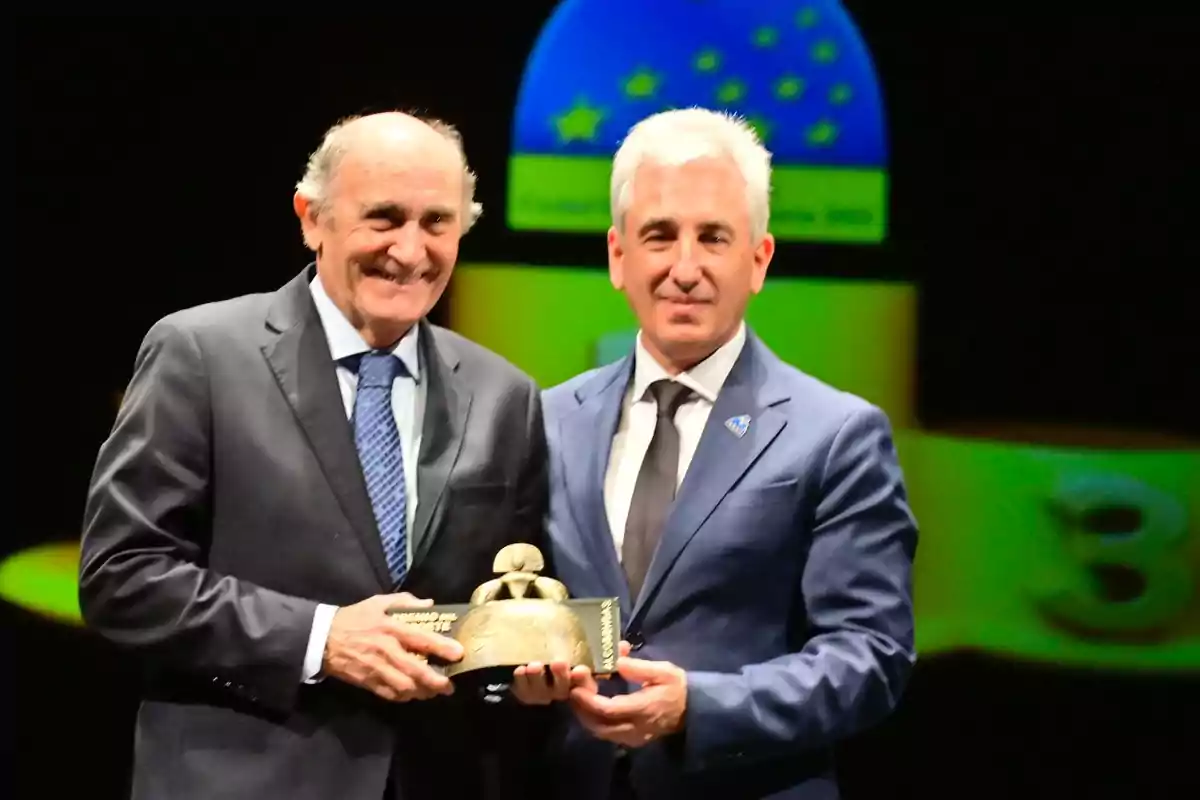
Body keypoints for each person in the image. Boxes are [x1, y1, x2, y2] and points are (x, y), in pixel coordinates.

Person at [78, 112, 553, 800]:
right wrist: (320, 637)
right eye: (384, 218)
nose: (411, 250)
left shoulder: (504, 393)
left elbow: (505, 603)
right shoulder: (201, 354)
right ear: (312, 218)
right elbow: (122, 577)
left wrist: (532, 668)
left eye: (437, 223)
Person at [511, 107, 919, 799]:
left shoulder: (837, 435)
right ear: (618, 256)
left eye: (714, 238)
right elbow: (519, 603)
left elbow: (870, 658)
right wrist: (520, 668)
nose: (685, 267)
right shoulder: (545, 420)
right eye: (660, 235)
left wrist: (698, 708)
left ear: (758, 260)